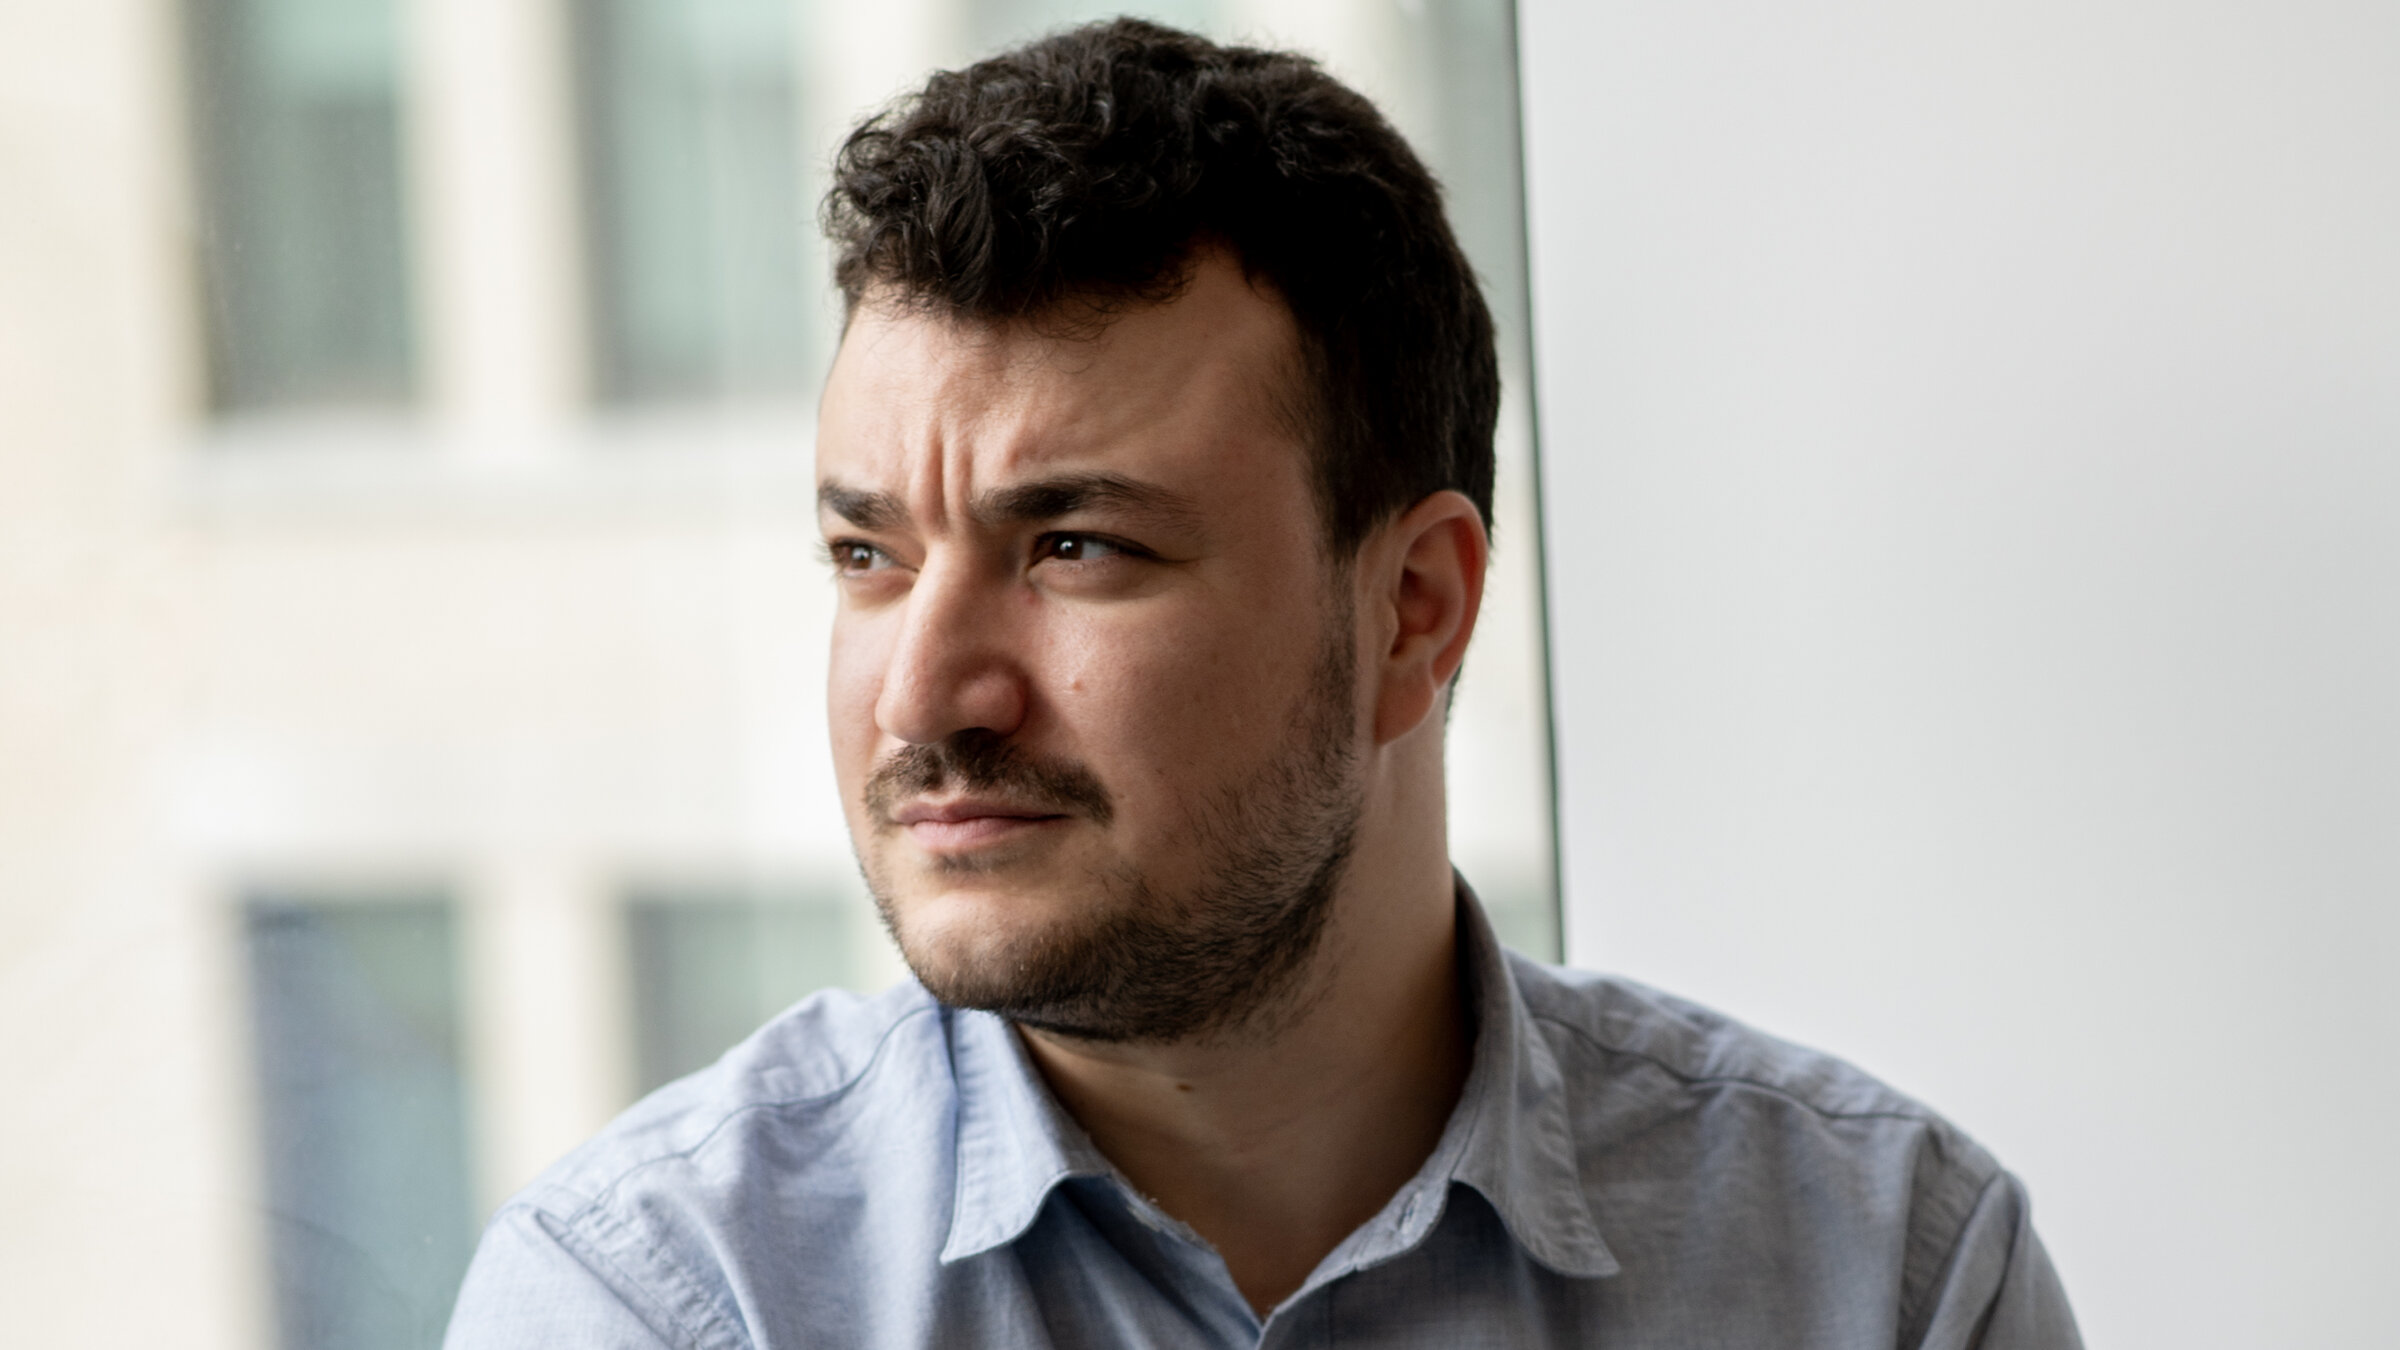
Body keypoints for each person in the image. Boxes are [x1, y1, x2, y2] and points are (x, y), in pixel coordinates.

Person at [445, 19, 2081, 1348]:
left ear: (1413, 612)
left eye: (1076, 545)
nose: (926, 694)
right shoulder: (664, 1302)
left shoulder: (1889, 1279)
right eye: (869, 557)